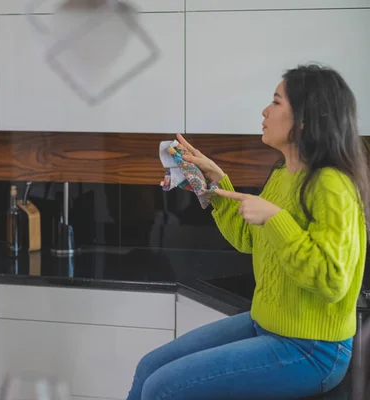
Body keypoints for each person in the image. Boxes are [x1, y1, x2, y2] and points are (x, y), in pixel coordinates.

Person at [127, 64, 369, 399]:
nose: (265, 111)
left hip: (314, 350)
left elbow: (333, 281)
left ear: (304, 119)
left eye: (276, 102)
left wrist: (275, 218)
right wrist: (214, 183)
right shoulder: (285, 173)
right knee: (148, 368)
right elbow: (246, 239)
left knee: (161, 388)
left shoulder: (331, 184)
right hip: (267, 324)